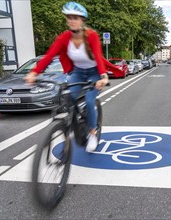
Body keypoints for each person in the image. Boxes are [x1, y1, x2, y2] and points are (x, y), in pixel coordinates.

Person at [25, 1, 109, 153]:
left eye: (75, 17)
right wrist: (34, 72)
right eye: (69, 17)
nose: (71, 20)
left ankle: (92, 133)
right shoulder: (64, 37)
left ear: (82, 20)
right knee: (68, 97)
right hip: (77, 71)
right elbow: (49, 55)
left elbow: (98, 56)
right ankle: (70, 125)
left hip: (94, 72)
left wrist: (103, 76)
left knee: (90, 101)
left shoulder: (92, 36)